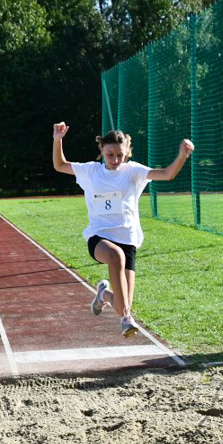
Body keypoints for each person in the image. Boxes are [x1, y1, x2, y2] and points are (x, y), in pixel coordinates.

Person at [52, 122, 194, 337]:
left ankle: (103, 295)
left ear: (127, 151)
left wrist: (182, 156)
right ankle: (127, 318)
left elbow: (166, 174)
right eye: (110, 155)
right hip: (99, 237)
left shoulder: (133, 171)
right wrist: (57, 139)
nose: (116, 160)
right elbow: (60, 165)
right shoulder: (90, 171)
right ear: (102, 151)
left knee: (121, 304)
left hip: (127, 239)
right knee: (114, 256)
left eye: (120, 155)